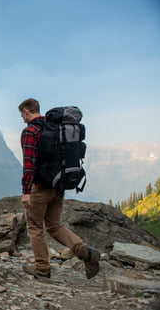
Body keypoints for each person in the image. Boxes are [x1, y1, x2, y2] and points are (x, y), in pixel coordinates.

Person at [18, 98, 100, 280]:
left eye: (22, 114)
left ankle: (42, 269)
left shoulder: (30, 131)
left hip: (40, 187)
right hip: (59, 186)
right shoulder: (54, 128)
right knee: (54, 226)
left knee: (35, 228)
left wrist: (26, 192)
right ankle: (84, 251)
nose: (22, 119)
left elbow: (29, 163)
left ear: (26, 111)